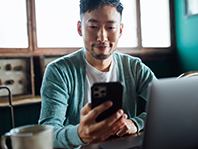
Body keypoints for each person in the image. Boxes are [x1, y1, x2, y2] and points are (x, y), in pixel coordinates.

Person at [38, 0, 157, 148]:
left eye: (110, 27)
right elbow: (48, 134)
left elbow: (165, 108)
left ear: (120, 30)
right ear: (80, 28)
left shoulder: (134, 67)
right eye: (93, 27)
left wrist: (136, 123)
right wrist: (80, 134)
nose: (102, 37)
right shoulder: (59, 71)